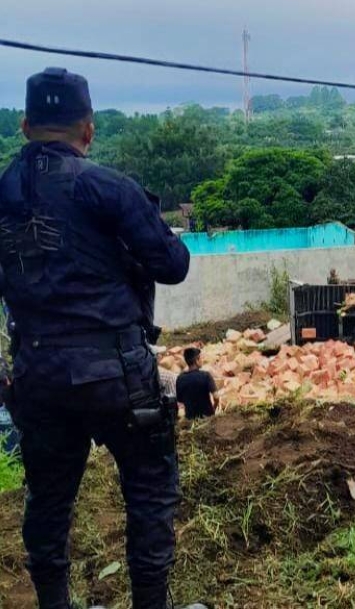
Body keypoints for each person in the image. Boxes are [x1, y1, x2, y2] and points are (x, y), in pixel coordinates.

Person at [0, 68, 200, 609]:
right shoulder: (106, 188)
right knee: (149, 493)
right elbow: (174, 265)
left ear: (23, 126)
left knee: (47, 502)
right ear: (87, 130)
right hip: (118, 375)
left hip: (38, 374)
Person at [175, 348, 218, 420]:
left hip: (190, 419)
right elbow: (216, 397)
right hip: (207, 417)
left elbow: (180, 400)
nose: (202, 360)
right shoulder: (206, 376)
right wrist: (214, 408)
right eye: (200, 358)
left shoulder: (180, 378)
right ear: (196, 361)